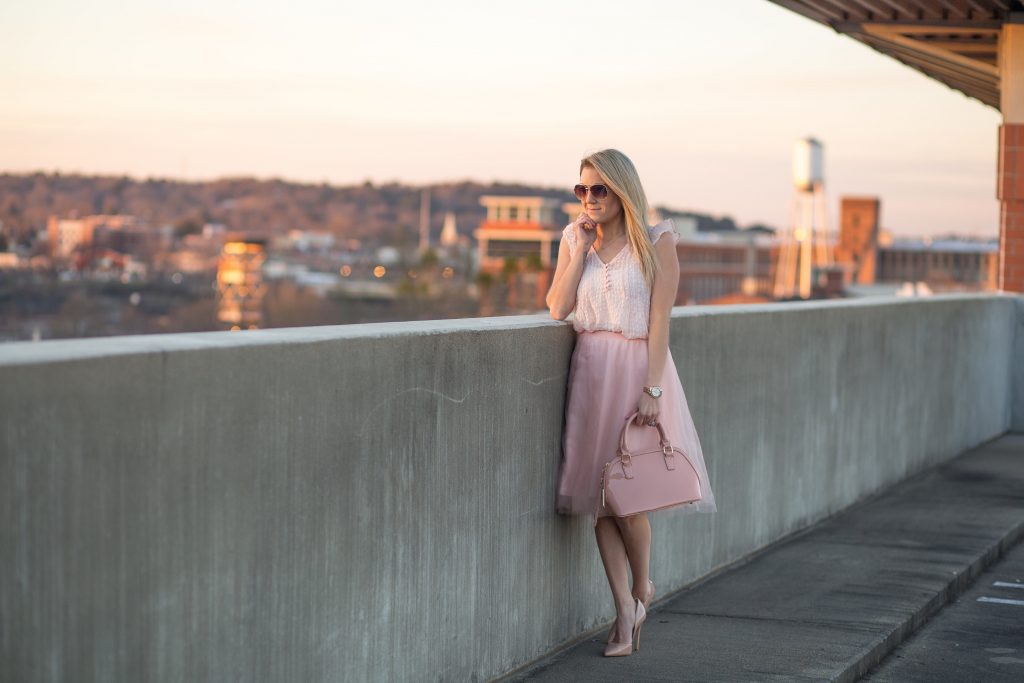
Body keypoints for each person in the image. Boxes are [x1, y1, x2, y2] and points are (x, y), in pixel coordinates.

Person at [546, 149, 717, 657]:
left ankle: (643, 587)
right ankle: (624, 610)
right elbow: (557, 308)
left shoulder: (657, 241)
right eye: (582, 190)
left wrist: (654, 387)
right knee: (599, 501)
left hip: (637, 371)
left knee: (630, 496)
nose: (590, 199)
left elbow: (661, 320)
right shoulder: (574, 240)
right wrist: (577, 252)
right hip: (590, 370)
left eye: (599, 189)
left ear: (622, 191)